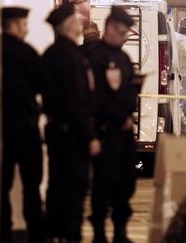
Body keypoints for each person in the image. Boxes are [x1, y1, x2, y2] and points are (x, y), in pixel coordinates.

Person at [42, 3, 101, 242]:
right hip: (72, 134)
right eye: (77, 21)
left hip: (56, 129)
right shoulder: (72, 57)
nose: (80, 25)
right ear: (68, 26)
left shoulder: (50, 54)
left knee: (56, 185)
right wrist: (89, 136)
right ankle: (70, 234)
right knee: (74, 187)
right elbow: (77, 101)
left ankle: (55, 233)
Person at [86, 6, 140, 243]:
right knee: (103, 182)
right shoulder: (96, 58)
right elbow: (95, 97)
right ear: (109, 28)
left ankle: (120, 231)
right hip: (105, 129)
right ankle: (99, 232)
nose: (124, 37)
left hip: (125, 132)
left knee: (125, 181)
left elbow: (128, 90)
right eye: (121, 32)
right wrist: (121, 116)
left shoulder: (124, 57)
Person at [0, 7, 45, 243]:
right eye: (24, 24)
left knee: (1, 187)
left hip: (0, 131)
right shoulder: (27, 53)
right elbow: (41, 85)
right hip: (26, 128)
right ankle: (36, 234)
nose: (26, 29)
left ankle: (2, 234)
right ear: (15, 25)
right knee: (31, 187)